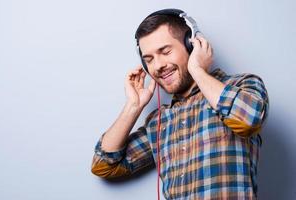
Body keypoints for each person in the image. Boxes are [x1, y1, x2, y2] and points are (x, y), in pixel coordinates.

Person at [91, 8, 269, 199]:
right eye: (149, 60)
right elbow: (103, 165)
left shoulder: (242, 85)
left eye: (165, 51)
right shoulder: (159, 121)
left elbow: (249, 120)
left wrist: (197, 69)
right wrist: (133, 106)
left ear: (191, 46)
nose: (158, 65)